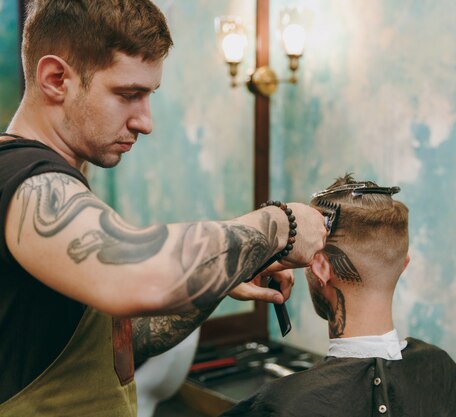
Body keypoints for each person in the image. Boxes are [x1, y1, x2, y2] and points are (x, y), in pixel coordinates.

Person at [0, 1, 328, 416]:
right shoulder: (24, 179)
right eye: (128, 94)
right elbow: (141, 278)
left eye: (148, 95)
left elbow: (124, 340)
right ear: (56, 78)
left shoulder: (61, 184)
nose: (145, 121)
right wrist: (283, 224)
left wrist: (223, 271)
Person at [221, 174, 456, 417]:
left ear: (320, 266)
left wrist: (224, 275)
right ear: (403, 264)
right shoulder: (439, 370)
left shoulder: (281, 405)